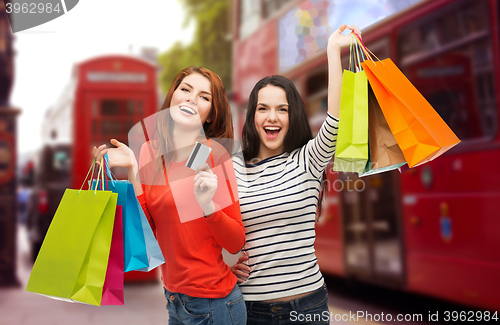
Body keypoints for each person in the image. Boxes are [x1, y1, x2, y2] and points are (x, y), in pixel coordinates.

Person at [93, 66, 247, 325]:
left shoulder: (214, 155)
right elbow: (148, 231)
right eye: (185, 89)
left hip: (215, 305)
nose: (191, 98)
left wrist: (207, 205)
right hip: (174, 300)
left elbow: (235, 243)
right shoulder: (149, 153)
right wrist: (132, 168)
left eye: (204, 96)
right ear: (172, 97)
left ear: (210, 115)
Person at [230, 24, 361, 324]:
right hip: (250, 310)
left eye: (282, 109)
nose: (272, 117)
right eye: (263, 108)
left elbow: (336, 118)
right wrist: (225, 263)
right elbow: (213, 230)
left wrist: (332, 50)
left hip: (307, 308)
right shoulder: (234, 167)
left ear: (292, 117)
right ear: (252, 117)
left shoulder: (308, 160)